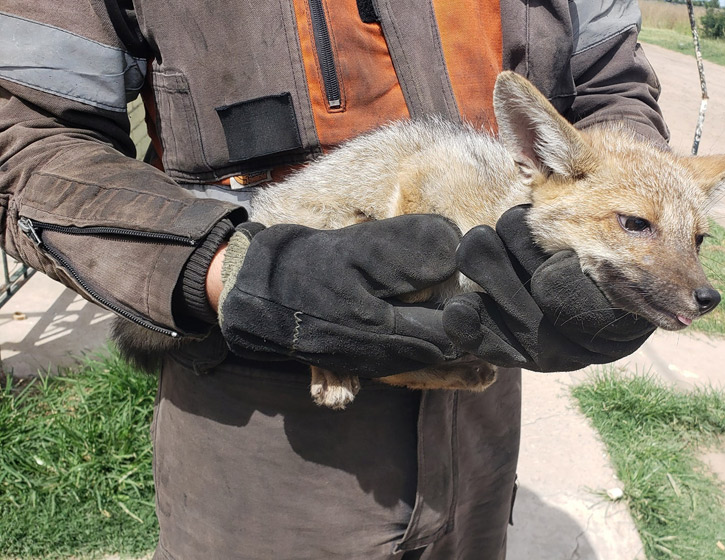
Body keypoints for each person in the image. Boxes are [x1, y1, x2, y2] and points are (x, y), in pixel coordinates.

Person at [0, 1, 669, 557]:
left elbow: (613, 87)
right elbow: (29, 137)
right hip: (261, 416)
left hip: (482, 400)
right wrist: (222, 269)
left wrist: (626, 227)